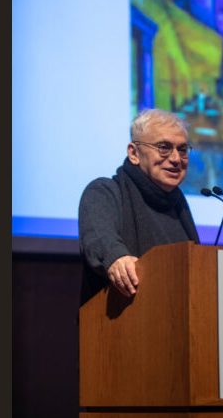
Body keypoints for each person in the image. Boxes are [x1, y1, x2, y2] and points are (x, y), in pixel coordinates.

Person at [79, 109, 200, 300]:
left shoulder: (179, 205)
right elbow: (100, 239)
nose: (176, 158)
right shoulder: (104, 191)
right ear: (134, 153)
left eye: (182, 149)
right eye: (164, 147)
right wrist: (117, 259)